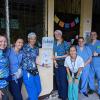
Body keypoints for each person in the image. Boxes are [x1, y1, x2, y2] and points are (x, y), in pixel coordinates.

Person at [21, 32, 41, 100]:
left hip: (35, 70)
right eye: (31, 38)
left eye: (34, 38)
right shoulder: (24, 47)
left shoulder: (36, 48)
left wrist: (43, 64)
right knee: (33, 92)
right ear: (28, 39)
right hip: (27, 71)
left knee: (39, 89)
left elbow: (36, 60)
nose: (33, 40)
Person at [53, 30, 69, 100]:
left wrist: (58, 57)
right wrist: (55, 62)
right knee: (58, 80)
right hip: (56, 64)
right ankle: (60, 94)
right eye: (55, 34)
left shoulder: (65, 43)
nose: (57, 35)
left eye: (58, 34)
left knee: (63, 81)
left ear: (61, 34)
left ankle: (64, 96)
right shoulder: (54, 43)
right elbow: (52, 53)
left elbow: (68, 54)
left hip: (63, 64)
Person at [88, 31, 100, 98]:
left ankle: (99, 91)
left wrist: (98, 54)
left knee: (99, 78)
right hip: (90, 63)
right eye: (91, 34)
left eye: (94, 34)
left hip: (98, 63)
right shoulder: (88, 45)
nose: (93, 35)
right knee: (90, 77)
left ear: (96, 35)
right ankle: (91, 89)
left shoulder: (99, 43)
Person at [0, 35, 9, 100]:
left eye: (5, 41)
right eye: (0, 41)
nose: (3, 43)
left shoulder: (3, 53)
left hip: (5, 83)